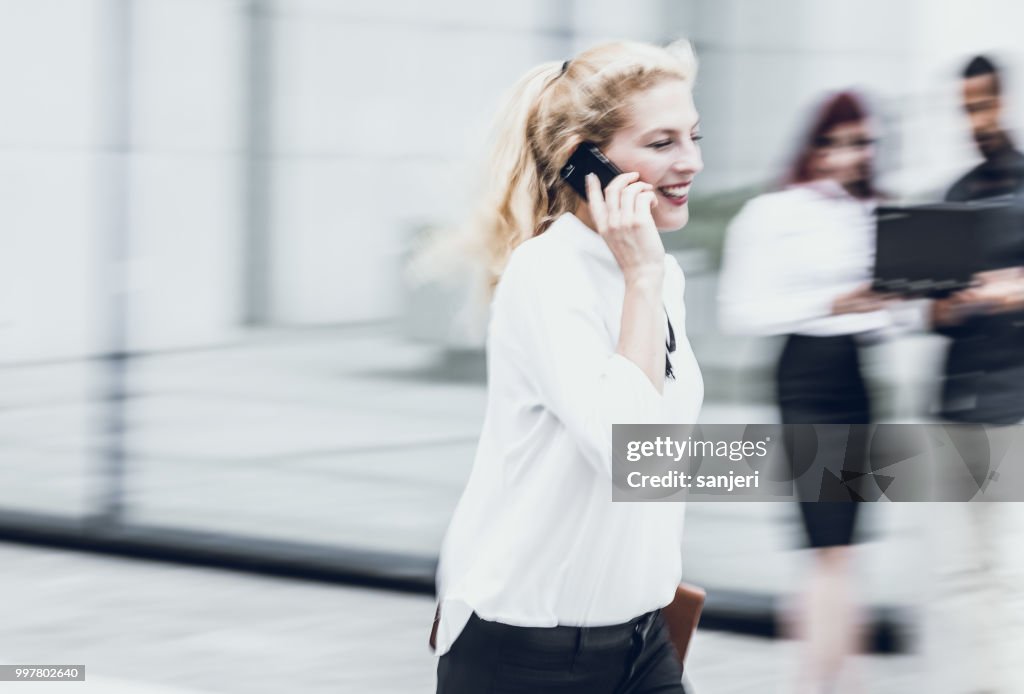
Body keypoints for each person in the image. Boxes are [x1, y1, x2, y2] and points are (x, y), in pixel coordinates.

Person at [426, 40, 705, 693]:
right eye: (662, 143)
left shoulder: (664, 277)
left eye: (693, 136)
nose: (690, 162)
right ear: (588, 161)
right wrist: (641, 279)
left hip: (642, 638)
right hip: (526, 650)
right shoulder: (547, 275)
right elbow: (631, 455)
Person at [718, 91, 917, 694]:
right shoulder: (772, 213)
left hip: (858, 377)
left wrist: (892, 302)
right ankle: (820, 684)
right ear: (815, 143)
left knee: (843, 550)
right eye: (839, 140)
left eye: (862, 142)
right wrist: (831, 302)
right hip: (805, 376)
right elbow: (741, 310)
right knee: (827, 547)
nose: (852, 154)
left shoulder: (878, 213)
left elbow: (899, 320)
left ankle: (828, 680)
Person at [924, 54, 1024, 694]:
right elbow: (933, 311)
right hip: (956, 406)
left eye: (984, 104)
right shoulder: (954, 196)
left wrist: (1006, 291)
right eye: (967, 107)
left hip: (1015, 404)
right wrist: (946, 302)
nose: (977, 119)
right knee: (961, 575)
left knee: (1010, 576)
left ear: (1007, 101)